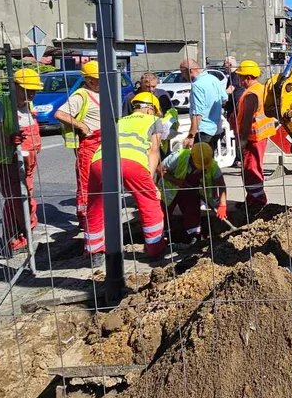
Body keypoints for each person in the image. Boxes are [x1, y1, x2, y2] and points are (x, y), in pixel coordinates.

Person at [84, 92, 167, 266]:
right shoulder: (153, 121)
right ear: (151, 109)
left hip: (100, 161)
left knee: (95, 205)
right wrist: (151, 182)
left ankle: (95, 253)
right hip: (132, 162)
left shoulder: (120, 120)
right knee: (149, 202)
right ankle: (155, 249)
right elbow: (153, 152)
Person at [0, 68, 43, 253]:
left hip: (26, 162)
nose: (32, 93)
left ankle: (25, 234)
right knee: (16, 200)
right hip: (3, 161)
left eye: (34, 89)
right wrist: (8, 139)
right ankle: (16, 239)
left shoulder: (29, 105)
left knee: (26, 198)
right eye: (27, 89)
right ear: (14, 86)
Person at [53, 60, 101, 232]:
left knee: (102, 182)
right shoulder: (81, 95)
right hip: (88, 144)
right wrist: (81, 126)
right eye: (97, 79)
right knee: (86, 183)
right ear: (89, 80)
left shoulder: (101, 93)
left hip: (102, 143)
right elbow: (60, 113)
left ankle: (98, 216)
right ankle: (85, 219)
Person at [159, 141, 227, 242]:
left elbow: (221, 184)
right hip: (170, 190)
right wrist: (176, 181)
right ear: (191, 157)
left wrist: (222, 204)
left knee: (192, 211)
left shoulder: (212, 165)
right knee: (164, 213)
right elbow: (159, 169)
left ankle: (194, 236)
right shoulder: (178, 156)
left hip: (191, 190)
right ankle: (162, 235)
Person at [236, 60, 278, 213]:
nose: (239, 80)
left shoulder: (251, 95)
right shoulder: (260, 89)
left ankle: (258, 201)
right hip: (260, 137)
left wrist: (242, 141)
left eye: (241, 77)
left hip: (253, 139)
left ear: (248, 77)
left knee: (251, 170)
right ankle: (252, 199)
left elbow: (247, 121)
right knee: (253, 169)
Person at [181, 58, 226, 149]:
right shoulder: (214, 79)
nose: (182, 76)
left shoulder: (197, 85)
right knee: (209, 160)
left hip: (203, 131)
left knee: (200, 162)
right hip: (217, 129)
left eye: (182, 73)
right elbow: (224, 98)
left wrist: (191, 136)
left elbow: (197, 114)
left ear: (190, 71)